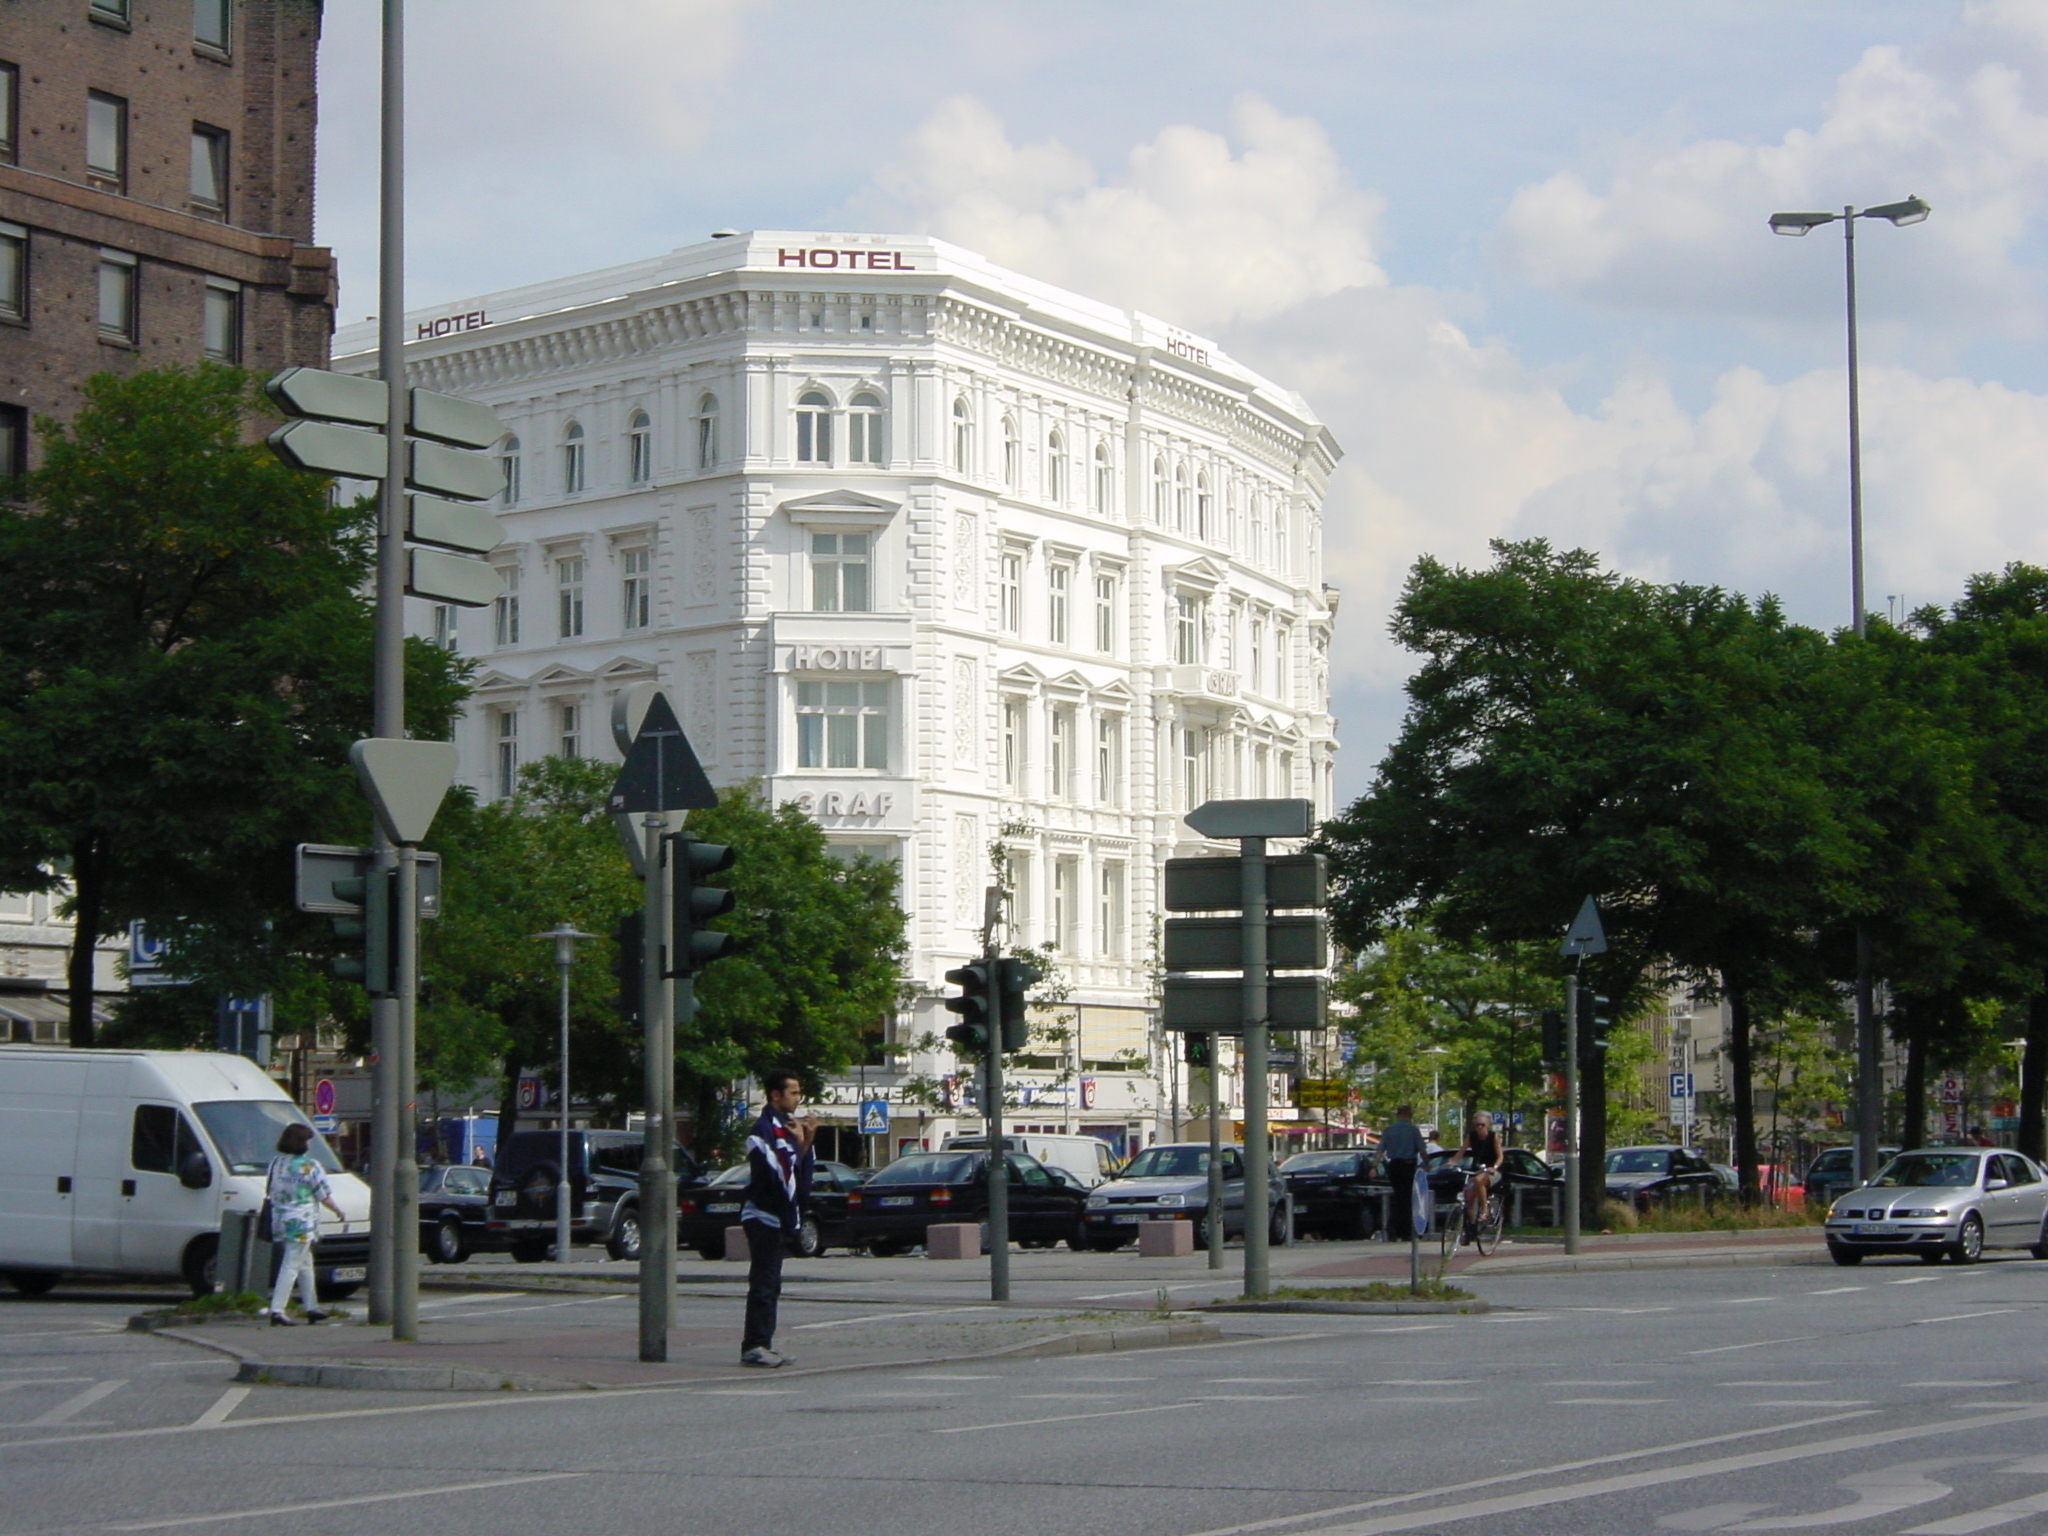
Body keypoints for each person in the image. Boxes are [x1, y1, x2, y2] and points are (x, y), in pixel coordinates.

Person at [738, 1069, 814, 1368]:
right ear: (775, 1095)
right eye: (793, 1092)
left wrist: (806, 1141)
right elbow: (779, 1174)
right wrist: (801, 1144)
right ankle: (754, 1345)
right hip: (763, 1215)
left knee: (772, 1283)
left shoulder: (786, 1127)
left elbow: (801, 1177)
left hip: (778, 1216)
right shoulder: (763, 1131)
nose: (798, 1098)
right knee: (764, 1282)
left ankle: (763, 1342)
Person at [265, 1123, 344, 1326]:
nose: (310, 1143)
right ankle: (277, 1310)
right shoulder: (310, 1166)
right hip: (301, 1222)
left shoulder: (276, 1163)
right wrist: (338, 1210)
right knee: (291, 1264)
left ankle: (312, 1307)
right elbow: (323, 1194)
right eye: (308, 1139)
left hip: (281, 1219)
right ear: (302, 1142)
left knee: (305, 1263)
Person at [1379, 1105, 1425, 1242]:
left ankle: (1396, 1227)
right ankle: (1400, 1229)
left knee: (1399, 1196)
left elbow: (1380, 1149)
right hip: (1408, 1165)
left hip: (1394, 1166)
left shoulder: (1389, 1130)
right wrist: (1427, 1164)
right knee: (1406, 1199)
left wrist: (1373, 1165)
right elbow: (1422, 1149)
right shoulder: (1413, 1130)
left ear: (1397, 1115)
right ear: (1409, 1115)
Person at [1461, 1111, 1504, 1229]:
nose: (1480, 1127)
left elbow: (1500, 1156)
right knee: (1468, 1196)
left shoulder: (1493, 1137)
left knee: (1479, 1180)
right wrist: (1451, 1163)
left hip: (1492, 1171)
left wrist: (1494, 1167)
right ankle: (1472, 1227)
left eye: (1482, 1125)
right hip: (1478, 1170)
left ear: (1488, 1125)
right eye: (1477, 1125)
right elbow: (1461, 1152)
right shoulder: (1471, 1136)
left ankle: (1485, 1210)